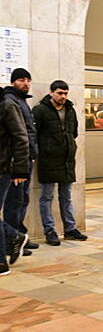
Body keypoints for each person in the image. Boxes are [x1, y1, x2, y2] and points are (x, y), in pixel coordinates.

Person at [32, 80, 88, 246]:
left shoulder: (70, 110)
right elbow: (33, 134)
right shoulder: (40, 110)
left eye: (65, 93)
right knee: (46, 197)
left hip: (67, 161)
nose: (63, 96)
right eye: (59, 93)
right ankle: (49, 231)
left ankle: (70, 229)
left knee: (66, 197)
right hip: (48, 160)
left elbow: (74, 132)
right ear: (51, 93)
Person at [2, 68, 40, 254]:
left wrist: (32, 156)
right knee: (14, 203)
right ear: (13, 82)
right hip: (16, 163)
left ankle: (20, 236)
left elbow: (28, 134)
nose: (26, 83)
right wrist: (19, 167)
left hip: (25, 161)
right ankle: (13, 240)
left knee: (22, 200)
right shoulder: (11, 101)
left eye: (28, 80)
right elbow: (18, 136)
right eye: (21, 80)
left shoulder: (22, 101)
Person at [0, 86, 31, 275]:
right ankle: (14, 236)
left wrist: (21, 169)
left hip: (2, 168)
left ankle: (1, 262)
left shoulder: (7, 104)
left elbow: (22, 137)